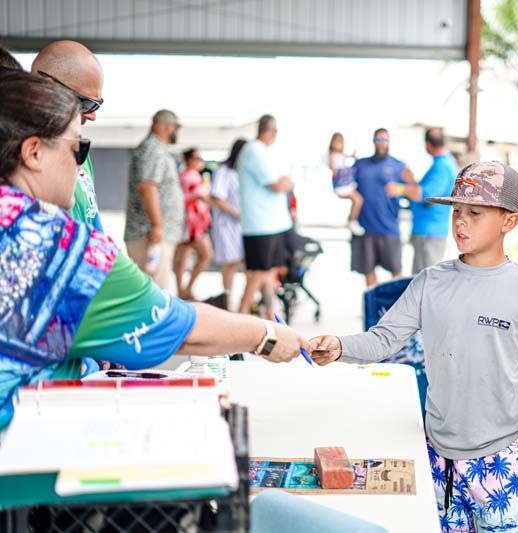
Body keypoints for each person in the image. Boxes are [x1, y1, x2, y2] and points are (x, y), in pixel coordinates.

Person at [0, 71, 310, 429]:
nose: (81, 164)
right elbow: (181, 325)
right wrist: (267, 336)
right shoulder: (59, 249)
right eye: (77, 149)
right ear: (33, 152)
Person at [310, 162, 518, 532]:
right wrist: (338, 346)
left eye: (475, 213)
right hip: (439, 454)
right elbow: (383, 339)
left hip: (507, 457)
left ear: (509, 222)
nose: (461, 221)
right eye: (457, 211)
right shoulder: (431, 282)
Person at [31, 40, 105, 232]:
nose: (92, 115)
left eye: (97, 105)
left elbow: (95, 231)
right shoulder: (13, 157)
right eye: (86, 103)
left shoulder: (80, 152)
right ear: (47, 87)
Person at [236, 114, 295, 317]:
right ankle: (242, 313)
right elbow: (278, 184)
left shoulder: (262, 151)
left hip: (272, 224)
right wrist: (287, 182)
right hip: (260, 224)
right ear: (271, 131)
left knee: (269, 271)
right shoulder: (254, 150)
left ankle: (270, 314)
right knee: (259, 272)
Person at [124, 109, 185, 290]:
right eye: (176, 128)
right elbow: (147, 187)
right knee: (156, 293)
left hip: (153, 234)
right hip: (149, 235)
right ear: (168, 127)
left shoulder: (156, 148)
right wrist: (158, 226)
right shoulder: (153, 148)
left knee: (157, 289)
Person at [388, 127, 458, 274]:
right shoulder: (445, 163)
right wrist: (411, 181)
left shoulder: (442, 166)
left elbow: (426, 194)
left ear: (427, 145)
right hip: (430, 230)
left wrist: (399, 189)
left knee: (425, 281)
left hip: (430, 232)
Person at [350, 128, 413, 286]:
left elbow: (414, 192)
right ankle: (373, 309)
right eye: (378, 139)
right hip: (366, 229)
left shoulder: (399, 166)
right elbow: (343, 186)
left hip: (389, 228)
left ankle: (398, 310)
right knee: (369, 273)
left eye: (385, 140)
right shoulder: (360, 165)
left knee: (396, 274)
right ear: (374, 141)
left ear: (389, 142)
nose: (382, 143)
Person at [210, 139, 247, 305]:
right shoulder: (223, 171)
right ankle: (227, 301)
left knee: (247, 263)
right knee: (230, 263)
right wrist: (238, 213)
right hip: (226, 224)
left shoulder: (242, 171)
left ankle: (247, 300)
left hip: (242, 225)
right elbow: (217, 198)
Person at [174, 147, 213, 300]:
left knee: (183, 257)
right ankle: (186, 289)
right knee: (205, 255)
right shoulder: (191, 176)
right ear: (189, 160)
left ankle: (182, 290)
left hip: (188, 223)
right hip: (192, 225)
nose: (200, 162)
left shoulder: (186, 175)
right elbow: (201, 197)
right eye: (197, 158)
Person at [328, 132, 364, 236]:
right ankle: (352, 221)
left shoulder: (340, 155)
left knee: (357, 199)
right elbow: (334, 169)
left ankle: (351, 219)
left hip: (345, 184)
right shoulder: (333, 156)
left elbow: (347, 157)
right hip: (341, 186)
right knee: (358, 200)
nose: (338, 144)